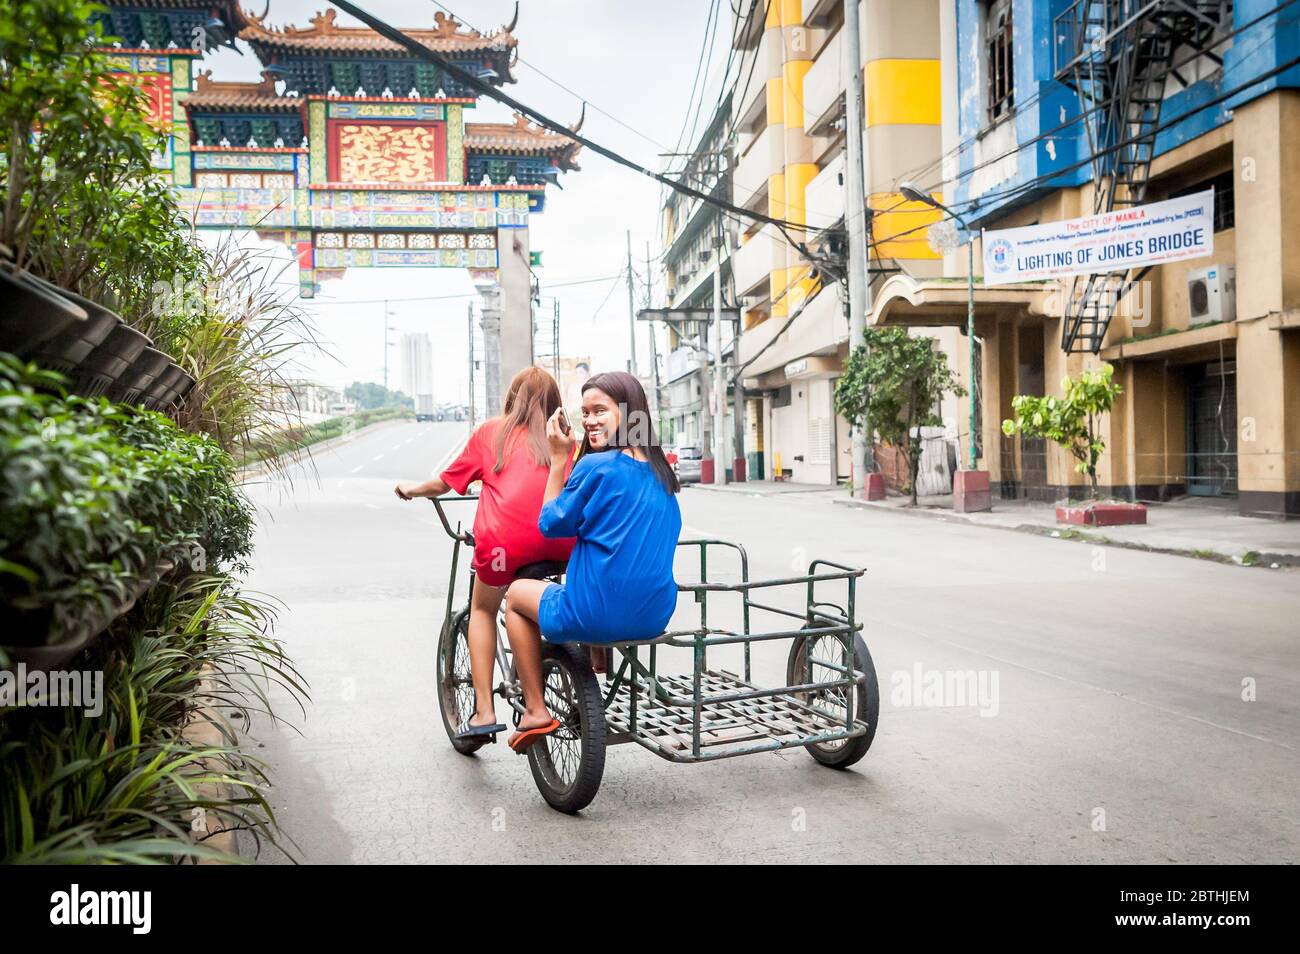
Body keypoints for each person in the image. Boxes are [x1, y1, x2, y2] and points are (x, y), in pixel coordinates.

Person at [502, 371, 681, 753]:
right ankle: (597, 663)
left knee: (517, 595)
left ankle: (534, 709)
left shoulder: (595, 467)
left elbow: (550, 523)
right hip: (655, 615)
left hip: (597, 613)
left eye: (600, 410)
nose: (589, 420)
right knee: (597, 574)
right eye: (585, 412)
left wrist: (558, 460)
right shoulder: (661, 471)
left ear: (628, 414)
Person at [395, 367, 575, 742]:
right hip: (562, 541)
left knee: (482, 609)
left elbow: (443, 483)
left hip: (503, 548)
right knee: (543, 595)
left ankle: (483, 711)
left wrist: (412, 490)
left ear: (512, 399)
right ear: (555, 402)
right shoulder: (565, 437)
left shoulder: (492, 432)